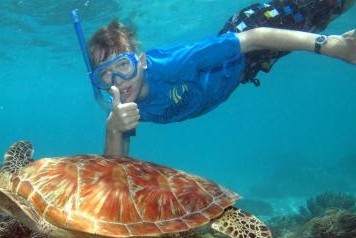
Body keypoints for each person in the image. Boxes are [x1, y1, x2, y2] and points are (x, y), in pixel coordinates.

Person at [86, 0, 355, 156]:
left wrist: (329, 45)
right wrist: (113, 127)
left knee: (327, 4)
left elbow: (256, 37)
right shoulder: (122, 109)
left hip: (252, 32)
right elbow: (116, 170)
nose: (117, 81)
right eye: (105, 74)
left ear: (141, 62)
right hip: (248, 68)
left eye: (123, 65)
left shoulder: (172, 64)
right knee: (329, 13)